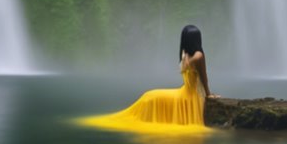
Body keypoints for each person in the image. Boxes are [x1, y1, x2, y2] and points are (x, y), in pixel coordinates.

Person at [78, 25, 218, 134]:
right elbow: (201, 77)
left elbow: (193, 74)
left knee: (151, 96)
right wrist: (208, 93)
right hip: (190, 94)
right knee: (150, 95)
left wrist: (207, 94)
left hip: (189, 95)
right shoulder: (194, 55)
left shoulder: (189, 55)